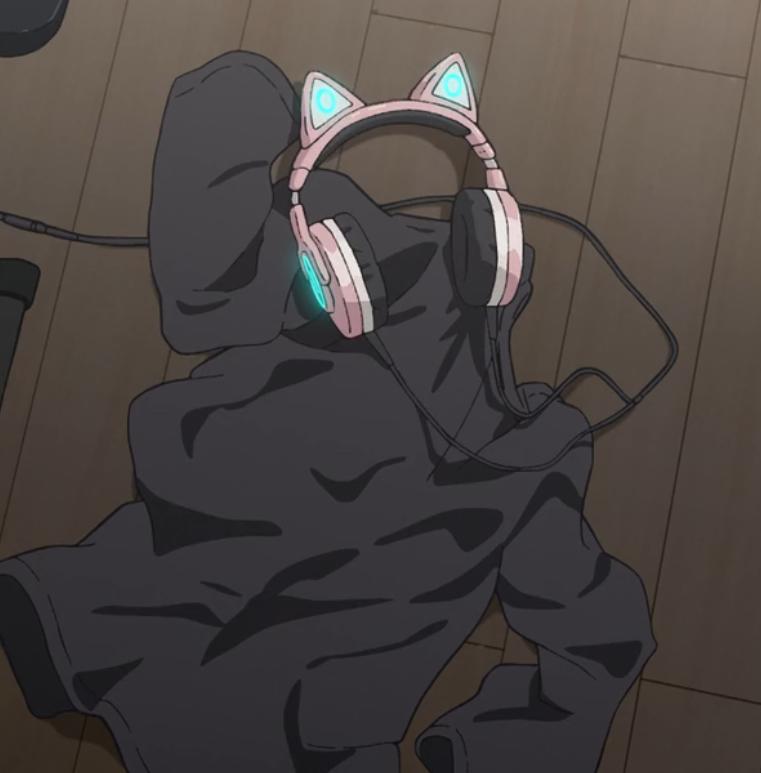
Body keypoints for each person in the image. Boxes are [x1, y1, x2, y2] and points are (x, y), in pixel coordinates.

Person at [0, 50, 655, 772]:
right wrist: (488, 747)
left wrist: (278, 103)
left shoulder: (531, 447)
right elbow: (604, 639)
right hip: (283, 723)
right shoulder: (533, 449)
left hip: (115, 620)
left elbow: (204, 243)